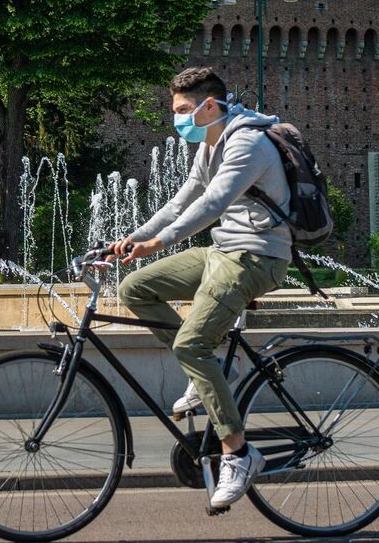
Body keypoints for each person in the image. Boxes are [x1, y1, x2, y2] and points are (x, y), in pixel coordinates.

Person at [112, 67, 293, 514]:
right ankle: (209, 373)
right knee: (135, 288)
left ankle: (238, 453)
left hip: (257, 257)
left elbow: (214, 204)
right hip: (221, 252)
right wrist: (132, 241)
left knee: (192, 344)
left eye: (182, 111)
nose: (177, 120)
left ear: (209, 106)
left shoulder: (247, 141)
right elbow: (184, 198)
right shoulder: (211, 143)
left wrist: (161, 242)